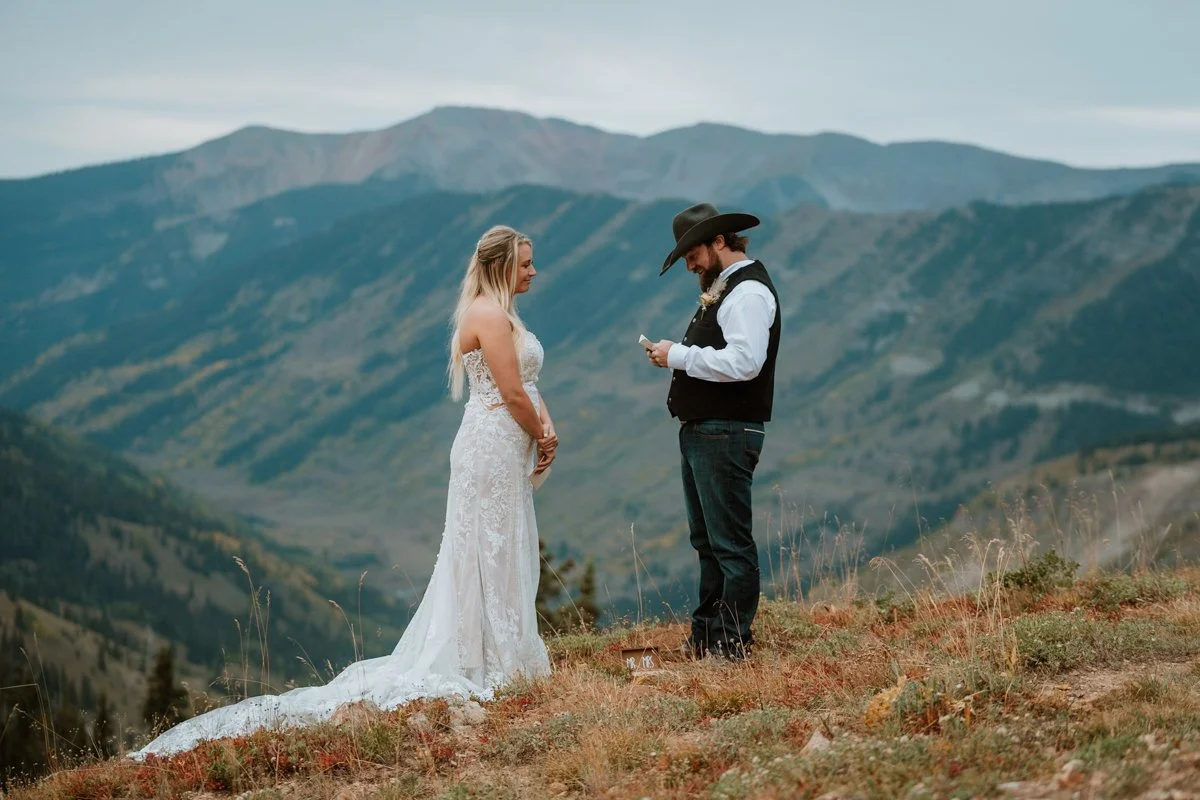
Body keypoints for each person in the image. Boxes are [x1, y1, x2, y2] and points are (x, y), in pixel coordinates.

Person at [130, 224, 557, 758]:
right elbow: (512, 390)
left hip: (504, 446)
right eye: (525, 263)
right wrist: (539, 431)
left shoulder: (505, 315)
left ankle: (504, 650)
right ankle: (490, 660)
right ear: (500, 266)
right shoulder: (488, 316)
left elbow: (527, 386)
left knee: (505, 544)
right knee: (484, 549)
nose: (533, 271)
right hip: (489, 449)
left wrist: (547, 427)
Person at [643, 203, 780, 661]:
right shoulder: (728, 290)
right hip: (706, 432)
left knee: (729, 543)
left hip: (726, 432)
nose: (689, 265)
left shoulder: (748, 294)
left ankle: (730, 644)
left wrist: (677, 356)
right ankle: (707, 637)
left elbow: (746, 362)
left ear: (719, 242)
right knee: (707, 540)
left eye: (692, 254)